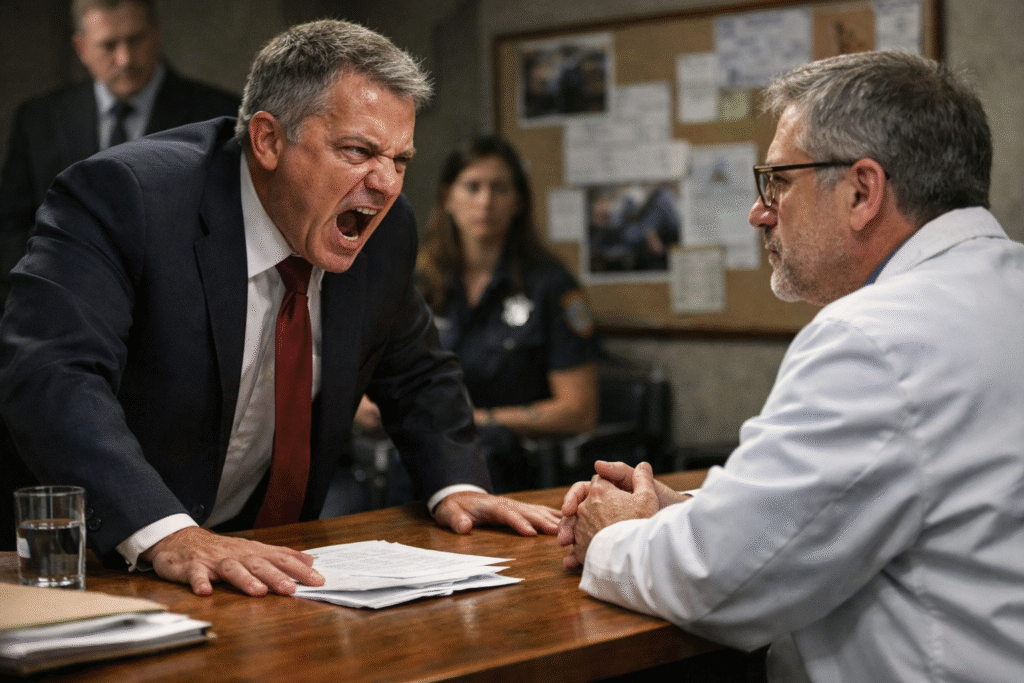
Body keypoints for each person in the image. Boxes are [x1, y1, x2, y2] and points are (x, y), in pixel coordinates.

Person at [0, 19, 560, 599]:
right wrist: (167, 533)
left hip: (264, 570)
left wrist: (459, 487)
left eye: (400, 159)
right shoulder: (127, 197)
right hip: (87, 563)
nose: (386, 184)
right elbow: (51, 377)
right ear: (267, 140)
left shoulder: (386, 230)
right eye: (359, 151)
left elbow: (417, 372)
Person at [558, 50, 1024, 682]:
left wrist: (613, 533)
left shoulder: (875, 338)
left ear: (862, 191)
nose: (759, 211)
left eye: (777, 181)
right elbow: (867, 501)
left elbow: (719, 582)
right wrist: (690, 515)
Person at [355, 136, 601, 493]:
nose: (485, 201)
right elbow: (363, 372)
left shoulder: (551, 286)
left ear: (518, 201)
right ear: (448, 198)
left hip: (513, 469)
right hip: (415, 460)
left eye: (499, 188)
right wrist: (363, 405)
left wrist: (480, 420)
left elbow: (579, 411)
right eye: (472, 187)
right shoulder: (416, 281)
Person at [0, 0, 241, 310]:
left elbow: (234, 231)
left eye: (135, 39)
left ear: (156, 34)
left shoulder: (220, 117)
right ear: (81, 48)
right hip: (64, 314)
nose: (125, 59)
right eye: (108, 45)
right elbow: (9, 230)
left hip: (184, 315)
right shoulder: (38, 120)